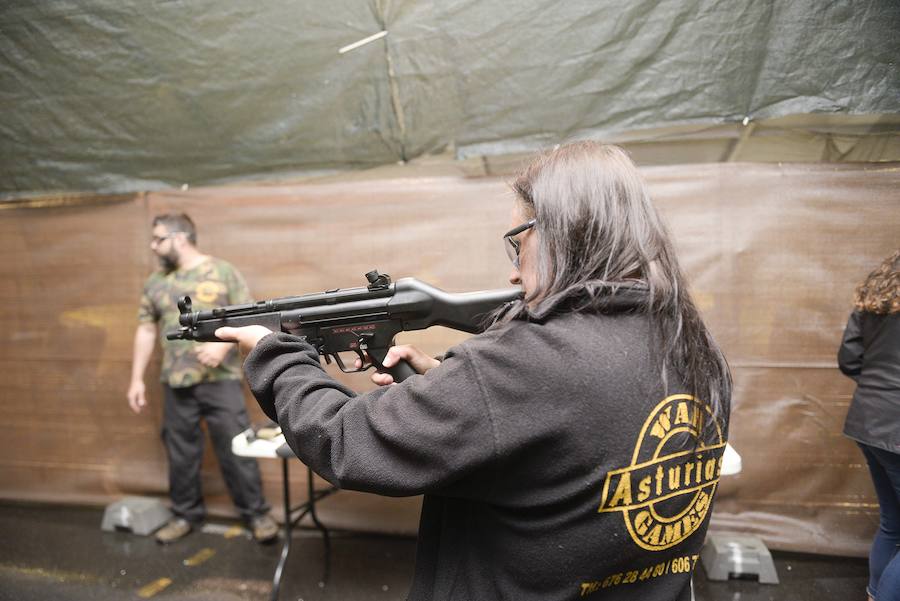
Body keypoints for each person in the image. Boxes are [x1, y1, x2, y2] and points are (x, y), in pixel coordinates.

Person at [218, 142, 732, 600]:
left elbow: (348, 440)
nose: (513, 267)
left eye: (519, 239)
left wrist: (274, 354)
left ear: (562, 230)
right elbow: (566, 453)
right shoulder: (694, 345)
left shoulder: (528, 361)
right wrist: (453, 388)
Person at [127, 212, 278, 544]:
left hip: (219, 381)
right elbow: (145, 328)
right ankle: (184, 515)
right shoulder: (155, 282)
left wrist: (221, 350)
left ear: (180, 238)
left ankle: (256, 515)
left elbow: (249, 319)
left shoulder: (222, 272)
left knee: (237, 448)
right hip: (175, 382)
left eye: (158, 239)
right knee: (180, 452)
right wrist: (137, 379)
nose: (153, 246)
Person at [838, 248, 900, 601]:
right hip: (894, 429)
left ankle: (875, 594)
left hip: (868, 421)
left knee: (893, 524)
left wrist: (879, 390)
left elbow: (849, 359)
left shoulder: (876, 299)